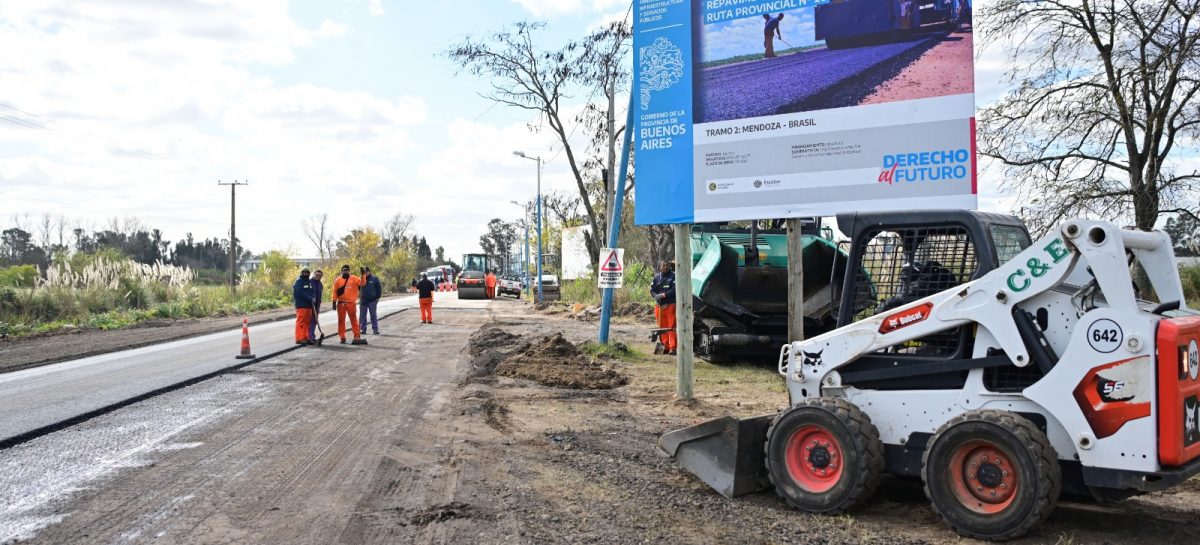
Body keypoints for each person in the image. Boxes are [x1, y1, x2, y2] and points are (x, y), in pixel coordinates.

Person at [331, 264, 367, 345]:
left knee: (354, 320)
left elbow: (362, 284)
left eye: (347, 270)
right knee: (341, 321)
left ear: (349, 271)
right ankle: (342, 337)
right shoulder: (338, 280)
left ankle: (357, 336)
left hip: (351, 303)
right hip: (341, 304)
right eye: (344, 270)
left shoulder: (354, 278)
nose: (345, 271)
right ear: (341, 271)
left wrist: (363, 274)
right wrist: (334, 301)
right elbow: (334, 291)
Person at [650, 260, 678, 355]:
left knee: (672, 327)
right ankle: (665, 346)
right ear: (660, 267)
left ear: (669, 266)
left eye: (667, 265)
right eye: (663, 265)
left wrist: (663, 295)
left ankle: (673, 348)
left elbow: (675, 289)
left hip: (671, 305)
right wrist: (656, 296)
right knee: (662, 327)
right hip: (659, 306)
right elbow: (652, 290)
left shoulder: (674, 276)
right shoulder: (656, 277)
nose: (665, 267)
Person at [292, 268, 316, 346]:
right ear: (302, 273)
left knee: (307, 322)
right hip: (301, 305)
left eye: (307, 272)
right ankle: (299, 338)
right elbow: (300, 293)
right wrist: (310, 298)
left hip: (309, 306)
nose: (306, 274)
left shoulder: (309, 282)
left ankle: (305, 337)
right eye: (304, 272)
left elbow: (312, 291)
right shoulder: (298, 281)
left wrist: (313, 298)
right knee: (301, 322)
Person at [358, 266, 382, 334]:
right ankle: (363, 329)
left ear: (369, 271)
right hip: (363, 301)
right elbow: (357, 288)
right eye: (364, 272)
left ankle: (375, 329)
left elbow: (379, 289)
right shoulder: (360, 279)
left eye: (366, 272)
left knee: (373, 315)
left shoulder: (374, 279)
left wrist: (377, 298)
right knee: (362, 316)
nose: (365, 273)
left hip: (372, 301)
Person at [308, 269, 324, 342]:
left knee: (315, 321)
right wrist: (311, 299)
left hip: (317, 305)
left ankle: (312, 336)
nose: (318, 276)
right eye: (317, 275)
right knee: (309, 321)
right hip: (309, 305)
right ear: (314, 274)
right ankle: (309, 336)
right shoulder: (309, 282)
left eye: (319, 275)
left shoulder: (320, 284)